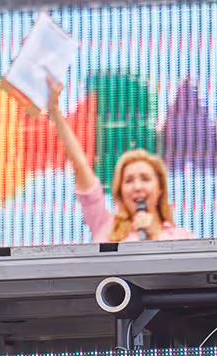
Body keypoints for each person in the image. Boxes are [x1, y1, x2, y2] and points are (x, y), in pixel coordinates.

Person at [43, 81, 192, 242]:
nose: (137, 187)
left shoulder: (181, 237)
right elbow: (80, 163)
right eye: (128, 181)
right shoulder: (105, 225)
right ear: (120, 191)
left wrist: (154, 234)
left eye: (145, 179)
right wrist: (54, 111)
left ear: (160, 188)